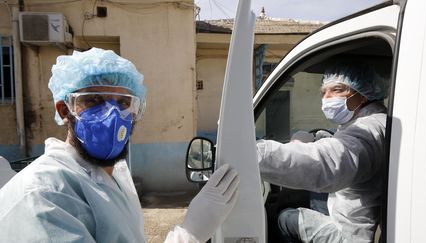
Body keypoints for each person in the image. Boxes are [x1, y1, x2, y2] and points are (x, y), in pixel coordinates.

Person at [0, 48, 239, 243]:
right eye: (94, 100)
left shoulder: (113, 179)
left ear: (136, 111)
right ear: (65, 110)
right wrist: (188, 236)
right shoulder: (45, 194)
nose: (113, 114)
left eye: (124, 102)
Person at [257, 62, 388, 242]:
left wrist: (257, 154)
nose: (327, 98)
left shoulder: (368, 130)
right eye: (323, 92)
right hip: (353, 209)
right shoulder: (374, 120)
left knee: (285, 218)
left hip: (352, 233)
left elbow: (326, 164)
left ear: (363, 93)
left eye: (337, 89)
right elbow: (345, 149)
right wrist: (324, 139)